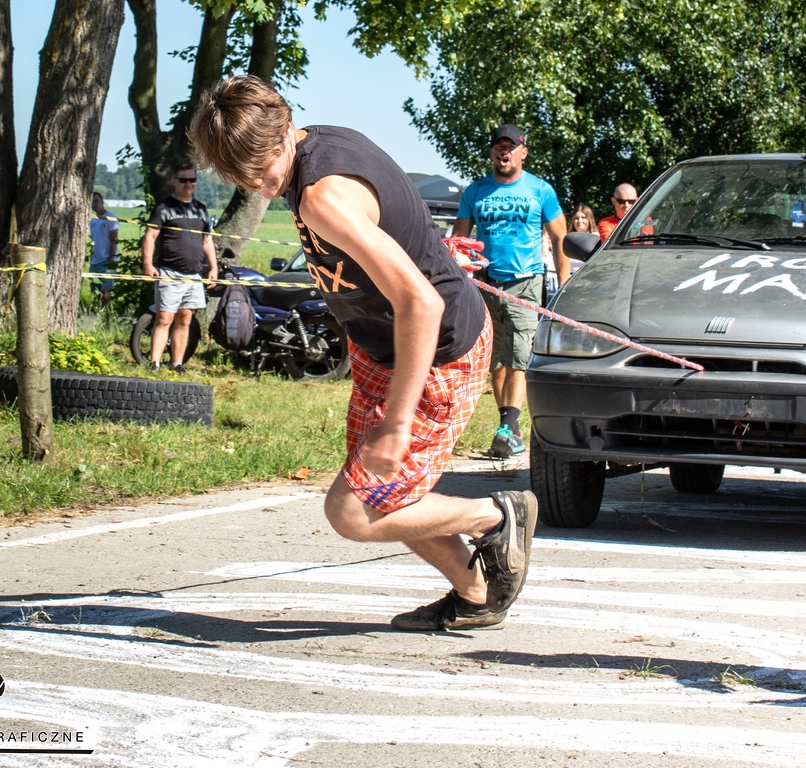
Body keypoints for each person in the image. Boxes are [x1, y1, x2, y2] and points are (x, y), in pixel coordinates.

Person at [190, 75, 537, 632]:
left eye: (262, 166)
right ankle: (477, 594)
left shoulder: (323, 196)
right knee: (383, 490)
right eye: (243, 175)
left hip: (436, 352)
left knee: (354, 511)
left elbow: (421, 303)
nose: (259, 182)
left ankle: (495, 516)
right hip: (382, 349)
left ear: (284, 126)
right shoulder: (319, 142)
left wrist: (397, 422)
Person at [452, 124, 568, 458]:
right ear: (492, 152)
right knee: (497, 359)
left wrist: (563, 286)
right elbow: (459, 241)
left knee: (519, 354)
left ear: (523, 152)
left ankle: (506, 427)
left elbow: (560, 238)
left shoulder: (541, 190)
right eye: (499, 147)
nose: (504, 153)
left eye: (511, 147)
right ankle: (510, 429)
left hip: (525, 282)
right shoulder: (475, 191)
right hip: (486, 283)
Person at [141, 163, 217, 373]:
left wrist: (213, 268)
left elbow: (207, 241)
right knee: (164, 318)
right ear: (174, 181)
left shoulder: (200, 209)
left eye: (192, 180)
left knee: (185, 318)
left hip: (194, 274)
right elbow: (150, 236)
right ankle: (154, 363)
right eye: (183, 180)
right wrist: (147, 264)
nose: (188, 184)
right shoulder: (164, 207)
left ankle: (177, 363)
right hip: (169, 272)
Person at [88, 191, 119, 306]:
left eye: (96, 201)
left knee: (106, 289)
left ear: (102, 202)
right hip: (96, 260)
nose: (94, 204)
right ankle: (98, 309)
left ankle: (106, 310)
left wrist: (111, 258)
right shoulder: (93, 220)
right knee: (95, 288)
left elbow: (114, 239)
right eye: (92, 202)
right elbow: (93, 240)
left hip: (107, 259)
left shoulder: (110, 217)